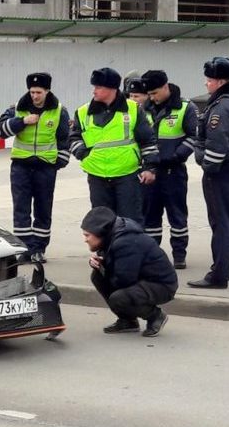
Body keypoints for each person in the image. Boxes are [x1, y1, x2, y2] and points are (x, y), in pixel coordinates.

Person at [188, 58, 229, 289]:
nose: (206, 84)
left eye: (208, 80)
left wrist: (208, 167)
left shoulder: (222, 106)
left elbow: (217, 142)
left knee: (221, 222)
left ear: (219, 81)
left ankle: (218, 275)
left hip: (223, 170)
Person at [68, 67, 159, 224]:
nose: (94, 91)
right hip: (97, 176)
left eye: (98, 87)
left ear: (111, 89)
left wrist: (150, 168)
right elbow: (73, 137)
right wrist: (83, 153)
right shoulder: (83, 112)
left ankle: (131, 249)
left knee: (130, 222)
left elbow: (147, 140)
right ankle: (105, 250)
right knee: (102, 223)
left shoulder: (133, 109)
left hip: (127, 176)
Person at [0, 72, 70, 263]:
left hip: (46, 168)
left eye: (39, 92)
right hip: (21, 166)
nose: (35, 96)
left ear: (47, 91)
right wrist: (22, 121)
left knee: (43, 208)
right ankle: (24, 248)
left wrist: (59, 162)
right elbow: (0, 131)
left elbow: (64, 139)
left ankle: (39, 248)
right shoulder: (18, 109)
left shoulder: (59, 111)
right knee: (21, 208)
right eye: (32, 92)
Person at [81, 206, 177, 337]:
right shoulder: (112, 236)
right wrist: (99, 264)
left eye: (87, 235)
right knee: (97, 276)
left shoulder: (126, 242)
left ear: (100, 233)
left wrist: (105, 267)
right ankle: (128, 321)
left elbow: (123, 280)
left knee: (119, 297)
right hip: (143, 279)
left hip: (162, 285)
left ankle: (156, 316)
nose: (85, 239)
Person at [140, 70, 199, 270]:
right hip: (150, 172)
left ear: (166, 87)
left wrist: (178, 155)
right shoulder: (143, 109)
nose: (152, 98)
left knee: (177, 216)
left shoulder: (185, 107)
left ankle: (179, 255)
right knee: (150, 218)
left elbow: (195, 136)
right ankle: (151, 256)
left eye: (155, 93)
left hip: (174, 172)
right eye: (149, 94)